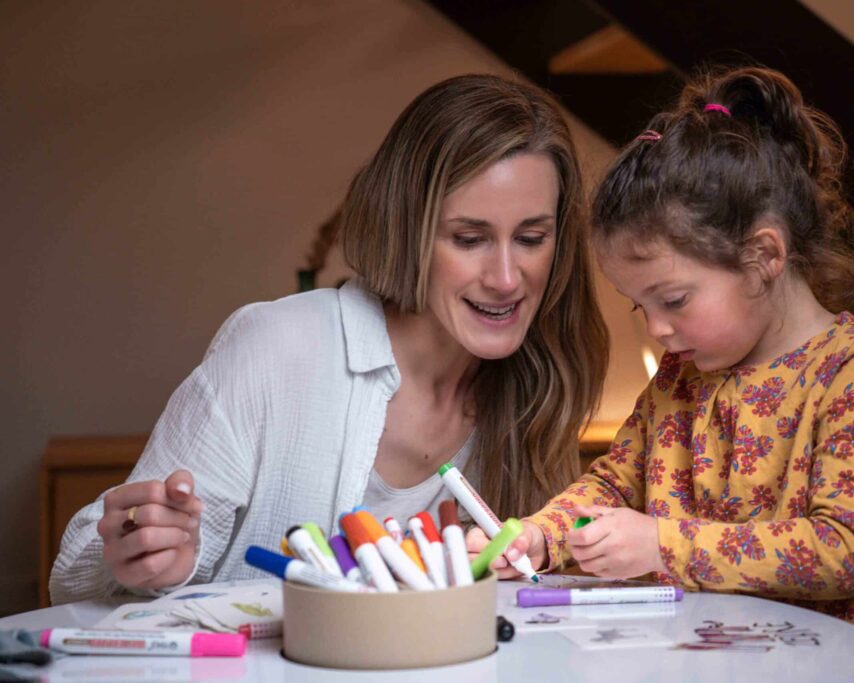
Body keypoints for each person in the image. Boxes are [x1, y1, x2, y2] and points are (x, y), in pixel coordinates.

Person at [50, 74, 609, 604]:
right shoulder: (276, 347)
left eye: (532, 237)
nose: (507, 278)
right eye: (469, 239)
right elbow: (76, 576)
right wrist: (142, 554)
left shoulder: (542, 384)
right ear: (406, 230)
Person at [477, 66, 854, 681]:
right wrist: (542, 535)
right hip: (705, 658)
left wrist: (663, 544)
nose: (657, 329)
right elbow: (614, 484)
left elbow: (846, 550)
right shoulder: (681, 376)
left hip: (834, 665)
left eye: (675, 299)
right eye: (643, 306)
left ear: (763, 256)